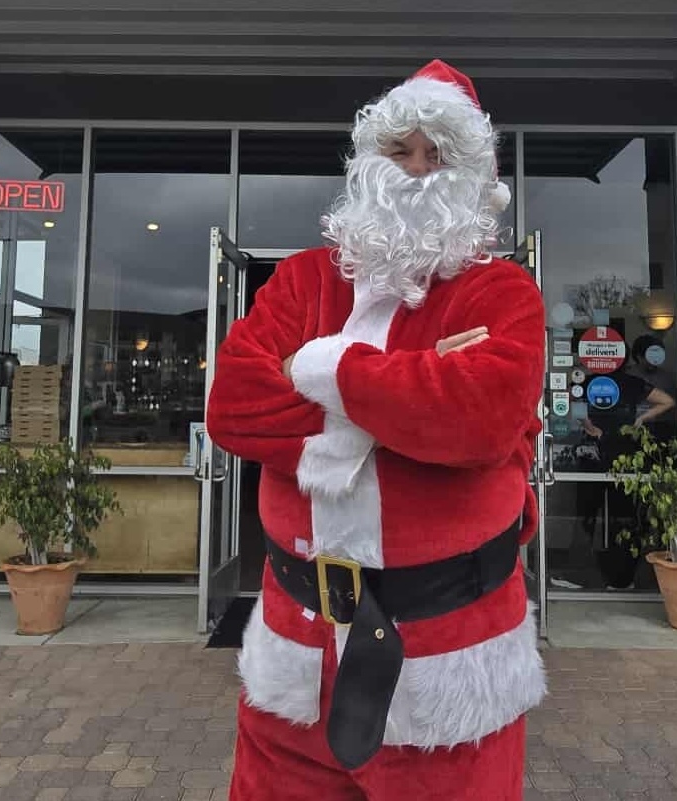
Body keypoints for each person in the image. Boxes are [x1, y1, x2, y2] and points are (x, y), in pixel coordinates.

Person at [205, 60, 546, 800]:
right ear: (369, 163)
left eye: (439, 154)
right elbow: (233, 405)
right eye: (402, 150)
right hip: (294, 659)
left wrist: (314, 367)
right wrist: (412, 386)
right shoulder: (300, 281)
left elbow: (478, 419)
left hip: (451, 666)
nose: (419, 170)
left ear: (475, 175)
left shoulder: (504, 291)